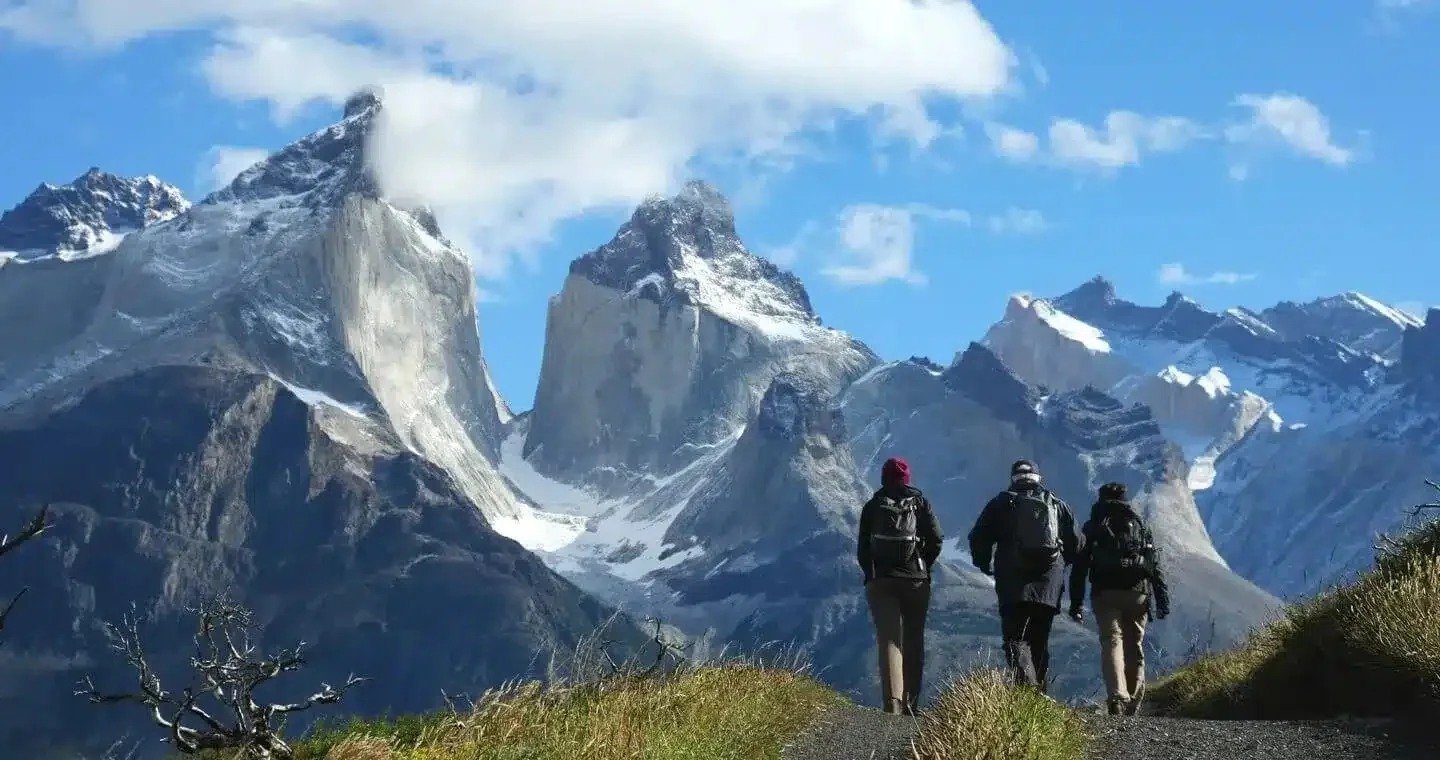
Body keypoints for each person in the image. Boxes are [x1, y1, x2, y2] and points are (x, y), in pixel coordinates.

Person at [968, 459, 1080, 694]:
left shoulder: (1000, 504)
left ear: (1013, 478)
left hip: (1013, 581)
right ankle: (1040, 696)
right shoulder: (1057, 505)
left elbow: (978, 537)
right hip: (1048, 583)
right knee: (1040, 639)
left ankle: (1026, 692)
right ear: (1038, 478)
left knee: (1015, 638)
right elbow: (1077, 544)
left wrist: (984, 564)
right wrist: (1061, 564)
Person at [1069, 482, 1171, 716]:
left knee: (1111, 641)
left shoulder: (1093, 526)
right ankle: (1133, 702)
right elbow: (1153, 565)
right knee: (1134, 644)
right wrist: (1162, 599)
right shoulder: (1139, 524)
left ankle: (1117, 696)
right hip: (1138, 593)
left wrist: (1076, 604)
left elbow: (1080, 568)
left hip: (1105, 593)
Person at [857, 457, 943, 716]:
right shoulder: (920, 503)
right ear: (908, 479)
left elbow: (863, 549)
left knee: (889, 640)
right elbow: (936, 538)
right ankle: (912, 704)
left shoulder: (873, 506)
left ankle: (892, 703)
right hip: (916, 581)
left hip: (882, 582)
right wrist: (923, 565)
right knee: (914, 638)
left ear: (883, 478)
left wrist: (872, 575)